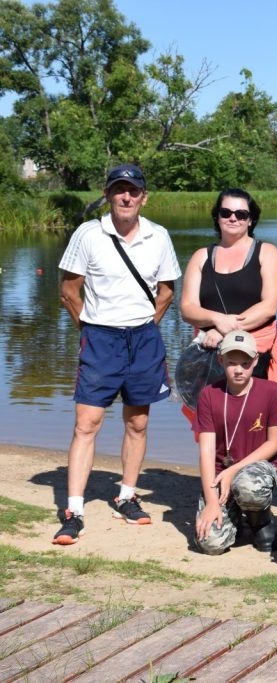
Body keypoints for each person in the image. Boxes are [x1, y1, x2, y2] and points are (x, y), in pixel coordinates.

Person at [53, 163, 181, 545]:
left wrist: (145, 323)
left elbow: (167, 292)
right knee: (86, 423)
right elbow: (68, 292)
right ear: (108, 194)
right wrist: (90, 330)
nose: (126, 197)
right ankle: (74, 509)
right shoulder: (89, 234)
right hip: (100, 340)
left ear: (144, 196)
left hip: (143, 339)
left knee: (137, 423)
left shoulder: (159, 236)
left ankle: (126, 496)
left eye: (133, 190)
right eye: (119, 189)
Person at [179, 188, 277, 422]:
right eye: (226, 212)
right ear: (217, 216)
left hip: (254, 357)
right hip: (210, 357)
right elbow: (187, 308)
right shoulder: (201, 257)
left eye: (241, 214)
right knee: (212, 432)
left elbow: (269, 307)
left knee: (256, 427)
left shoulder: (267, 253)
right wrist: (216, 321)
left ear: (250, 219)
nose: (233, 218)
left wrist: (224, 329)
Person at [193, 331, 277, 554]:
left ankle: (260, 521)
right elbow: (206, 452)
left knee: (247, 485)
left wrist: (233, 471)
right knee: (211, 544)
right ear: (220, 361)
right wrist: (211, 503)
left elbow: (275, 443)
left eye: (245, 363)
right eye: (232, 363)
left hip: (257, 469)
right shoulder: (208, 394)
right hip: (219, 474)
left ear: (255, 361)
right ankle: (234, 518)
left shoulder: (271, 391)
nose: (238, 370)